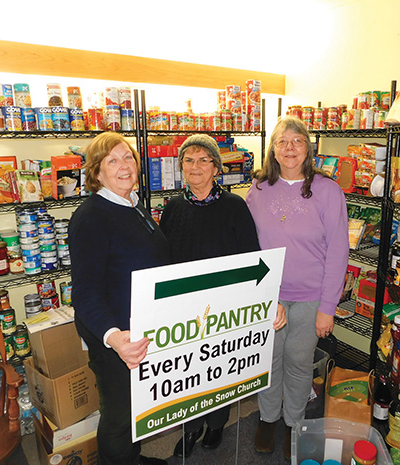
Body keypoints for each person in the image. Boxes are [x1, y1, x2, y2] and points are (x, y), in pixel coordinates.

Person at [246, 116, 349, 460]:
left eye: (297, 141)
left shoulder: (328, 190)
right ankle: (267, 418)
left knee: (299, 361)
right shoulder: (258, 189)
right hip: (268, 295)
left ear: (308, 148)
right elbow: (249, 244)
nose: (289, 147)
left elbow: (338, 250)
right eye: (282, 141)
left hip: (310, 297)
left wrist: (328, 308)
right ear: (273, 150)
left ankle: (294, 420)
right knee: (268, 360)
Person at [69, 132, 170, 465]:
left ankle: (132, 458)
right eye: (112, 161)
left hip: (140, 329)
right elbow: (85, 291)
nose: (124, 166)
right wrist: (114, 338)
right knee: (119, 415)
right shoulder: (91, 217)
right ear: (97, 173)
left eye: (128, 157)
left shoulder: (133, 205)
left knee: (136, 408)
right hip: (116, 337)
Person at [160, 134, 261, 458]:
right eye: (189, 160)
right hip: (184, 306)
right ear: (181, 167)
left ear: (216, 168)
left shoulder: (234, 206)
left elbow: (251, 255)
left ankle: (217, 423)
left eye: (204, 160)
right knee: (187, 369)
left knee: (219, 366)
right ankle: (191, 427)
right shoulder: (173, 208)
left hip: (223, 306)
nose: (196, 166)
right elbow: (163, 258)